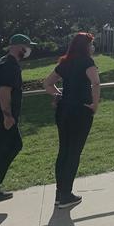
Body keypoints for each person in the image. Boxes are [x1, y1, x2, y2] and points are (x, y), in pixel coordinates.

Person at [43, 32, 101, 209]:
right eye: (91, 44)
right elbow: (96, 83)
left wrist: (58, 95)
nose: (92, 47)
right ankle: (66, 195)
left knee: (64, 150)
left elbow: (47, 83)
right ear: (85, 46)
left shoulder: (64, 62)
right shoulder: (87, 62)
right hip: (80, 111)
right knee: (74, 152)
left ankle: (60, 193)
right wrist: (95, 104)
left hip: (64, 111)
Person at [0, 34, 36, 204]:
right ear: (19, 47)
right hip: (2, 116)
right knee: (9, 146)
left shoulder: (2, 61)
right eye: (27, 47)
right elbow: (4, 91)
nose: (28, 50)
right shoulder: (10, 66)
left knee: (4, 146)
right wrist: (7, 115)